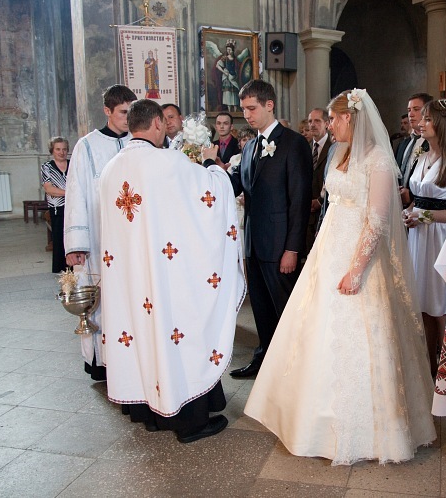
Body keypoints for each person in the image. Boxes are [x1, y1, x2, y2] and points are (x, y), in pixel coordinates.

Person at [244, 89, 436, 465]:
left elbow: (378, 220)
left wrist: (357, 269)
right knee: (314, 330)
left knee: (362, 338)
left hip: (359, 258)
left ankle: (367, 431)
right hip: (329, 250)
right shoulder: (339, 152)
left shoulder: (379, 159)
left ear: (349, 117)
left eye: (332, 118)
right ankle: (305, 421)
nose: (329, 125)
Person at [99, 99, 244, 443]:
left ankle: (149, 414)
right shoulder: (167, 161)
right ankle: (188, 422)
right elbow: (211, 193)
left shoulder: (111, 169)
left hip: (129, 278)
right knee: (173, 335)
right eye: (163, 123)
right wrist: (209, 161)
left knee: (140, 335)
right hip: (163, 277)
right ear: (156, 125)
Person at [221, 79, 312, 378]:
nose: (246, 115)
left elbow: (299, 201)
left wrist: (292, 249)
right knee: (260, 308)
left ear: (269, 105)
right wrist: (205, 169)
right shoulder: (250, 147)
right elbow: (235, 186)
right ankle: (264, 361)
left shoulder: (294, 144)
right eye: (243, 109)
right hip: (254, 243)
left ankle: (293, 369)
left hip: (280, 245)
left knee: (285, 310)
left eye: (251, 108)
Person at [64, 84, 137, 381]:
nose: (128, 118)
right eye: (123, 112)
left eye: (132, 112)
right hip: (99, 237)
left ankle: (134, 359)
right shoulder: (87, 146)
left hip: (133, 239)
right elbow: (76, 194)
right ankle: (103, 361)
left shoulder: (138, 143)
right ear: (107, 110)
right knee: (103, 298)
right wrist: (76, 243)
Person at [402, 99, 446, 377]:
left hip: (441, 238)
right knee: (422, 305)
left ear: (442, 124)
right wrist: (409, 211)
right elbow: (420, 198)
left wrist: (426, 216)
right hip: (419, 237)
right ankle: (427, 368)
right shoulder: (423, 157)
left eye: (427, 119)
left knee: (440, 305)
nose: (421, 123)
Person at [397, 93, 434, 208]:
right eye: (409, 110)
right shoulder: (403, 144)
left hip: (421, 206)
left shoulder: (432, 144)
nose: (411, 114)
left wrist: (411, 196)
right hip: (399, 206)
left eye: (416, 109)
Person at [41, 136, 69, 273]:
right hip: (57, 207)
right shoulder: (47, 167)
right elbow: (49, 189)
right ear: (52, 150)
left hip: (74, 207)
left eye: (64, 149)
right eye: (58, 149)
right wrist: (70, 193)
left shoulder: (73, 164)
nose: (61, 152)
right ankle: (60, 268)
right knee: (59, 238)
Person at [307, 107, 333, 251]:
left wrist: (320, 201)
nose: (312, 125)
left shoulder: (333, 147)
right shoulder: (305, 147)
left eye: (317, 121)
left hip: (326, 209)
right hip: (307, 213)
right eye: (310, 121)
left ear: (326, 124)